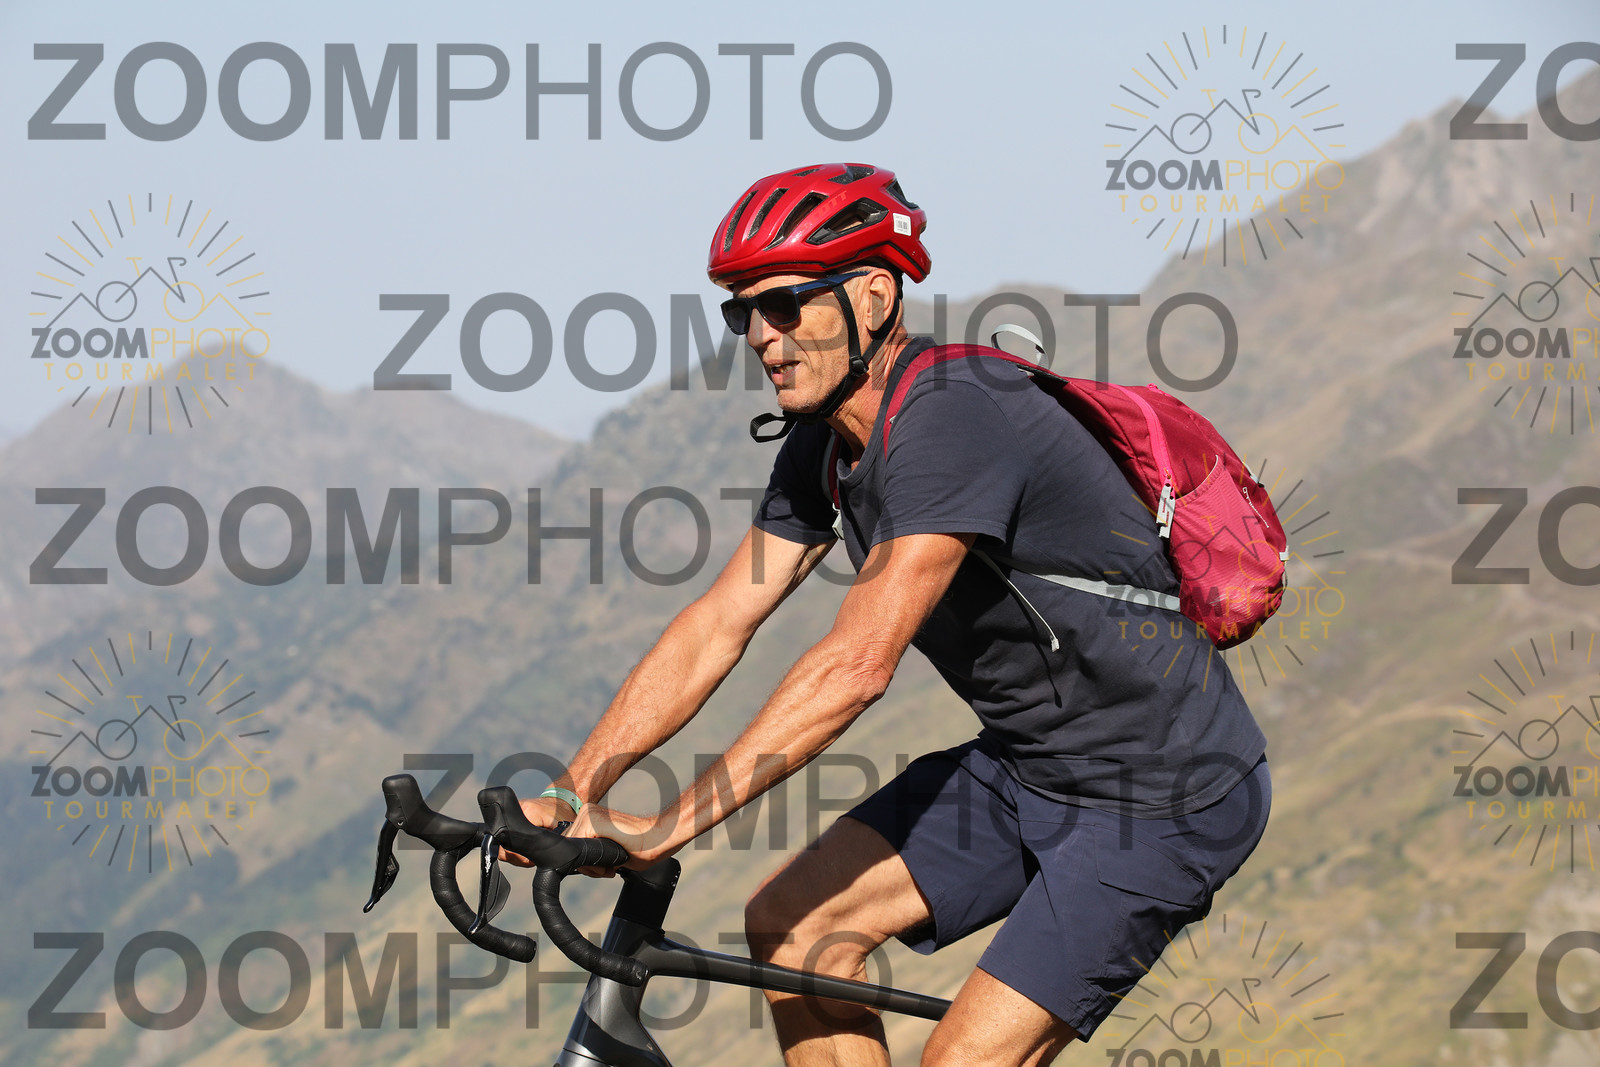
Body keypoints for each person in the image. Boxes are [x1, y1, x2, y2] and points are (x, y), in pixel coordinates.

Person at [511, 162, 1271, 1067]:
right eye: (741, 313)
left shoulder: (954, 421)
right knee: (793, 932)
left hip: (1165, 792)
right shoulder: (824, 443)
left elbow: (855, 666)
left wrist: (663, 828)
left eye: (784, 305)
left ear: (873, 296)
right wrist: (574, 792)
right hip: (1028, 767)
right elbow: (718, 623)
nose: (761, 336)